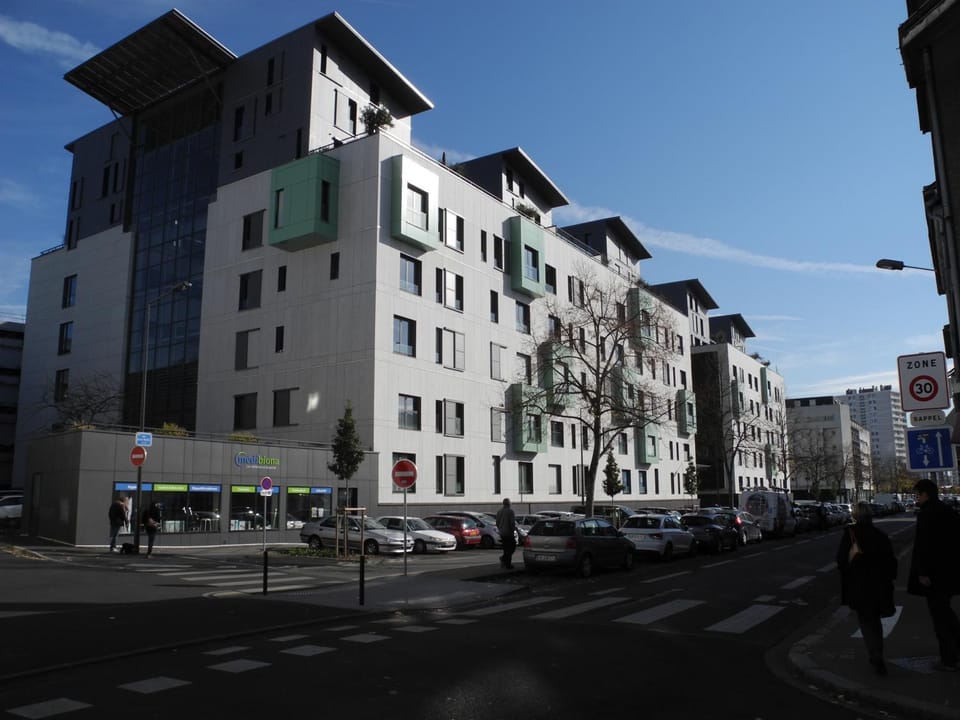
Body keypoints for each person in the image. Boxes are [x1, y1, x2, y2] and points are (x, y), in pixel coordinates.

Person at [836, 502, 897, 675]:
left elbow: (841, 559)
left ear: (855, 516)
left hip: (859, 584)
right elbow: (891, 562)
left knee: (866, 620)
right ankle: (878, 651)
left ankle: (875, 653)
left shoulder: (851, 534)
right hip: (879, 584)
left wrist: (848, 572)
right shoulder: (881, 535)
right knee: (875, 620)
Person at [907, 478, 960, 671]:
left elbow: (923, 546)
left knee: (940, 618)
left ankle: (949, 659)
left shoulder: (926, 514)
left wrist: (922, 572)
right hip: (950, 572)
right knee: (946, 612)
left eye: (917, 495)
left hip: (933, 575)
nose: (916, 499)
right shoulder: (950, 512)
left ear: (924, 494)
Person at [495, 498, 517, 569]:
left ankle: (506, 563)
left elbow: (497, 523)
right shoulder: (510, 512)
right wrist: (513, 530)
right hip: (509, 533)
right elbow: (512, 523)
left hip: (502, 533)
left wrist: (500, 529)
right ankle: (505, 560)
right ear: (509, 504)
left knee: (506, 548)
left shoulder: (499, 511)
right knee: (512, 547)